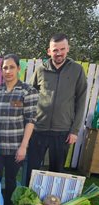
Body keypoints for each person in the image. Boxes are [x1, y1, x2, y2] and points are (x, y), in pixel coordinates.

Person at [26, 33, 87, 184]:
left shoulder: (77, 71)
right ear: (49, 51)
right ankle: (25, 204)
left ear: (68, 49)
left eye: (62, 49)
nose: (58, 53)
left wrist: (74, 131)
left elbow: (81, 101)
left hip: (62, 131)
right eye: (55, 50)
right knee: (32, 170)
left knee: (56, 172)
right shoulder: (40, 70)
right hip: (38, 129)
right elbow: (30, 97)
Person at [0, 54, 38, 205]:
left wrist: (24, 146)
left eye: (11, 67)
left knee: (10, 181)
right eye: (5, 68)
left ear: (18, 69)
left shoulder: (28, 92)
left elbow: (30, 121)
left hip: (16, 147)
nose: (8, 71)